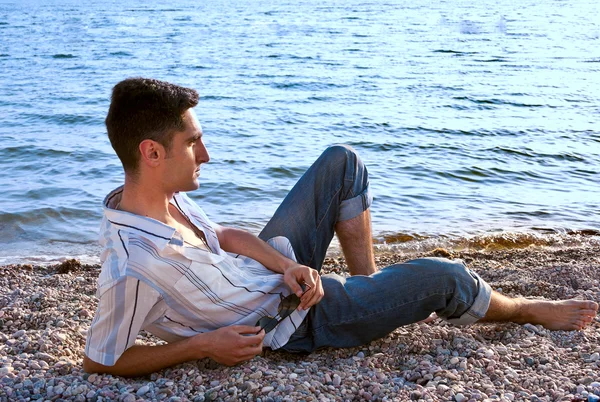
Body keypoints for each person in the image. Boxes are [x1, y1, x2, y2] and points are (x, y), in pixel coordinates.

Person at [83, 78, 598, 377]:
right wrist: (203, 346)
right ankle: (528, 310)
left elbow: (226, 237)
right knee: (447, 276)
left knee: (341, 162)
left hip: (278, 277)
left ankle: (368, 292)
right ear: (151, 153)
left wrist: (287, 264)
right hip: (291, 323)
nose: (207, 155)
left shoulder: (158, 198)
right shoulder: (132, 262)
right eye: (193, 142)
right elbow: (101, 361)